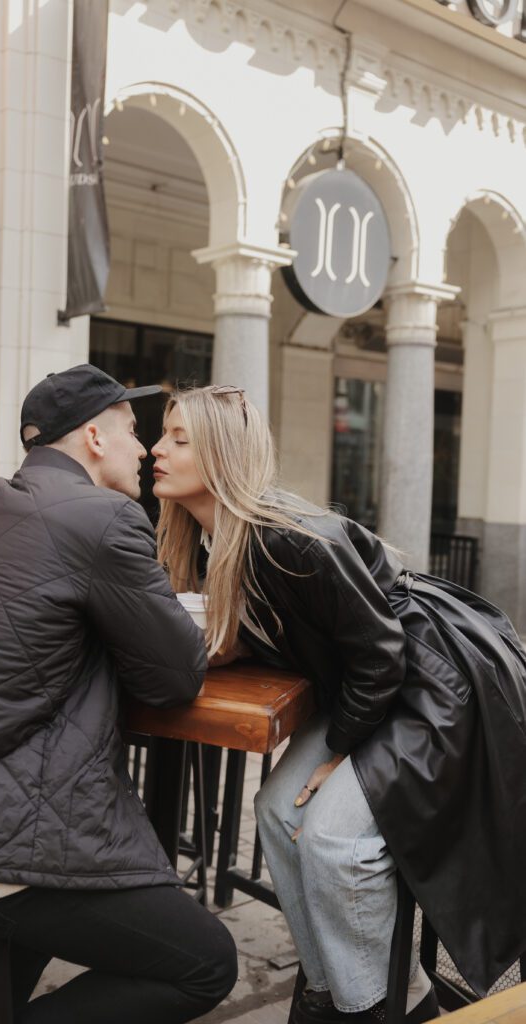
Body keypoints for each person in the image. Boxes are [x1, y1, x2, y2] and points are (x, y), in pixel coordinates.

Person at [0, 365, 237, 1024]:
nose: (143, 449)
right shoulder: (107, 518)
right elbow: (174, 680)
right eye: (130, 431)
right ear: (92, 437)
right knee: (206, 964)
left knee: (50, 829)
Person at [151, 384, 526, 1024]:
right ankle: (329, 991)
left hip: (428, 685)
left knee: (331, 838)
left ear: (220, 457)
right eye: (164, 435)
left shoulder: (290, 537)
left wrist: (340, 754)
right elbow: (299, 633)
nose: (158, 449)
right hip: (367, 686)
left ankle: (376, 1006)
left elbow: (382, 652)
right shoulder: (212, 538)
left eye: (180, 440)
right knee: (274, 813)